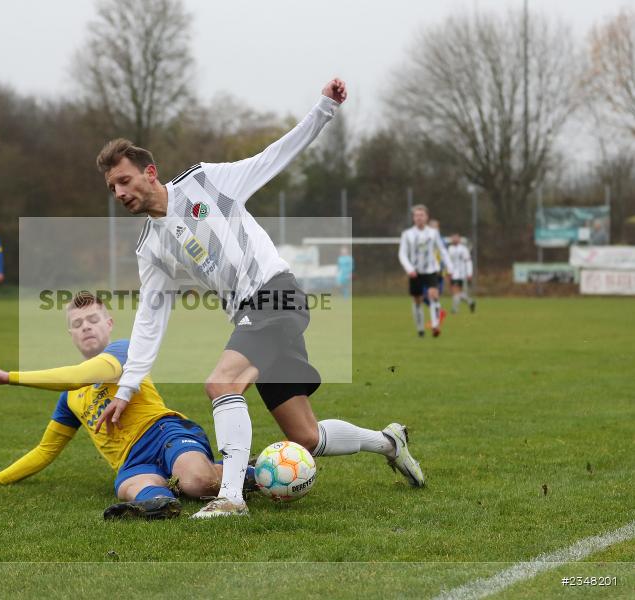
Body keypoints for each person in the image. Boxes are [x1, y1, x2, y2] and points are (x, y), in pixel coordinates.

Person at [95, 77, 424, 520]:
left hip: (275, 294)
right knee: (305, 437)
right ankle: (388, 442)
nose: (119, 193)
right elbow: (151, 319)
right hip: (251, 316)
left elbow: (274, 156)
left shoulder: (207, 183)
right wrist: (128, 385)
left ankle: (230, 497)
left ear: (149, 172)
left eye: (124, 181)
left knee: (221, 384)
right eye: (112, 188)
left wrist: (324, 108)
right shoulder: (150, 248)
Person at [0, 293, 241, 520]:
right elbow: (45, 449)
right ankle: (162, 498)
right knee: (133, 489)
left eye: (93, 320)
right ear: (71, 334)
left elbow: (80, 375)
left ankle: (245, 471)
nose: (86, 327)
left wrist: (11, 377)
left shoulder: (125, 350)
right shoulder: (71, 399)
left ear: (109, 323)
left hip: (164, 434)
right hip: (132, 461)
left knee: (199, 483)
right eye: (77, 324)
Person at [399, 205, 454, 338]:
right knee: (417, 300)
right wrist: (409, 268)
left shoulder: (433, 233)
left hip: (431, 270)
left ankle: (435, 326)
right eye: (416, 215)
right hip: (415, 272)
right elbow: (402, 254)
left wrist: (450, 267)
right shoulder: (407, 234)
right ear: (413, 218)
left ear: (426, 217)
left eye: (421, 215)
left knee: (433, 295)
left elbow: (442, 250)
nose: (419, 218)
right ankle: (420, 329)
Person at [447, 234, 476, 314]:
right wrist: (448, 272)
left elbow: (468, 261)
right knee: (456, 292)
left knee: (456, 291)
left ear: (459, 239)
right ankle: (470, 301)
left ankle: (455, 310)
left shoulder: (463, 249)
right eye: (453, 238)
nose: (454, 239)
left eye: (456, 238)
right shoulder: (450, 249)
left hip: (461, 274)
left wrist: (469, 273)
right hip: (452, 273)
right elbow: (449, 262)